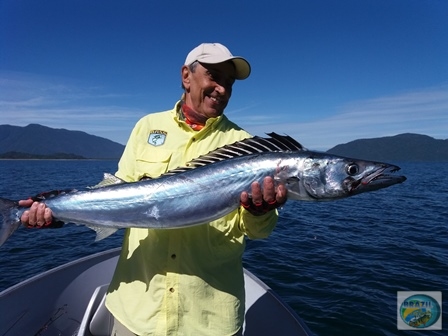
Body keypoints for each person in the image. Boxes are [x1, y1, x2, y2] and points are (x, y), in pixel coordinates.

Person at [19, 43, 287, 336]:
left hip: (208, 320)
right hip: (137, 312)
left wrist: (260, 212)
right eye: (214, 76)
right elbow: (116, 194)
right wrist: (56, 208)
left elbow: (258, 232)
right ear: (187, 76)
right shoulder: (147, 126)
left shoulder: (246, 148)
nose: (221, 88)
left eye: (228, 82)